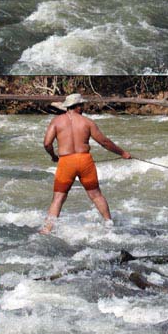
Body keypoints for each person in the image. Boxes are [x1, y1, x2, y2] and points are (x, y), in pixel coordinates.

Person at [40, 94, 131, 234]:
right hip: (84, 161)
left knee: (58, 198)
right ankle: (109, 225)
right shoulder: (87, 122)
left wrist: (53, 156)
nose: (83, 108)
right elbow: (104, 142)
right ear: (77, 107)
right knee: (96, 195)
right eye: (81, 105)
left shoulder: (56, 122)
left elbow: (47, 143)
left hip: (66, 162)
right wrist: (123, 153)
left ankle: (47, 229)